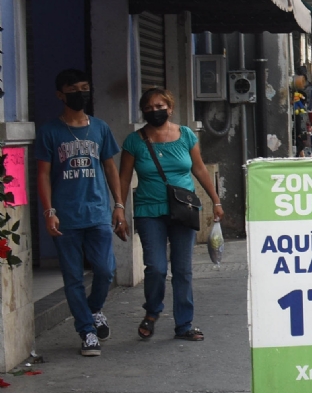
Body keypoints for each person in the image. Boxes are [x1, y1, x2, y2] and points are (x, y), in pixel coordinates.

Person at [118, 87, 223, 341]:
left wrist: (216, 201)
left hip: (183, 209)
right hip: (148, 210)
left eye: (160, 106)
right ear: (143, 111)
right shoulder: (135, 141)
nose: (155, 111)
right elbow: (123, 178)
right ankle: (152, 311)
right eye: (149, 108)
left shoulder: (186, 135)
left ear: (170, 108)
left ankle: (184, 324)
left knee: (183, 269)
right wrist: (119, 209)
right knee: (155, 267)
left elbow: (199, 169)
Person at [34, 68, 124, 357]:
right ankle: (86, 331)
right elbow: (43, 174)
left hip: (98, 210)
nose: (80, 93)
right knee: (72, 277)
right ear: (61, 94)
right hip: (66, 216)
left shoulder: (100, 127)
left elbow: (111, 168)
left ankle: (94, 309)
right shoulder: (49, 130)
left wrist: (119, 205)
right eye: (73, 89)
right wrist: (49, 211)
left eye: (85, 87)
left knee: (105, 269)